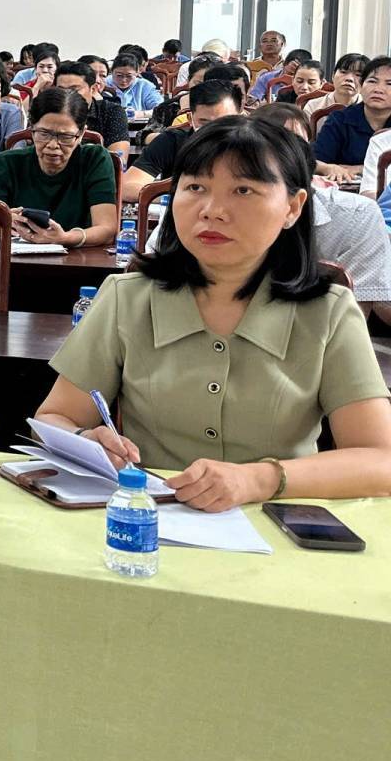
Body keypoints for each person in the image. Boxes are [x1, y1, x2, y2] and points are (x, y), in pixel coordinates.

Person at [35, 117, 391, 505]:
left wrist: (261, 479)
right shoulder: (127, 297)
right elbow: (52, 419)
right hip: (147, 516)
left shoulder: (329, 311)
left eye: (243, 190)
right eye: (195, 187)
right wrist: (86, 441)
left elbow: (380, 460)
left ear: (292, 207)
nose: (212, 210)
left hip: (278, 521)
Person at [251, 103, 391, 322]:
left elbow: (354, 318)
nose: (283, 156)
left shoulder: (355, 216)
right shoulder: (219, 213)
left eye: (296, 145)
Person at [0, 87, 118, 247]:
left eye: (65, 137)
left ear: (81, 134)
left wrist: (64, 238)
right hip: (18, 257)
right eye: (43, 134)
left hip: (79, 257)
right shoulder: (5, 163)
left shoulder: (94, 159)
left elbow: (107, 230)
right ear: (31, 129)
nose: (53, 145)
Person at [123, 78, 243, 199]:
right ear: (190, 119)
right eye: (204, 122)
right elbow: (128, 187)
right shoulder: (171, 141)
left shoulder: (252, 146)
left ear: (240, 117)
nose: (213, 130)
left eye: (223, 121)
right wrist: (175, 199)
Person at [312, 55, 391, 183]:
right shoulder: (340, 120)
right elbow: (314, 161)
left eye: (389, 83)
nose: (378, 89)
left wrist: (361, 169)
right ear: (361, 85)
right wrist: (329, 168)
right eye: (372, 81)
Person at [49, 60, 128, 154]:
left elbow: (118, 157)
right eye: (61, 90)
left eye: (74, 90)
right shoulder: (46, 111)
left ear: (93, 89)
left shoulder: (112, 111)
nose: (67, 95)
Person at [303, 53, 365, 118]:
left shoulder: (370, 109)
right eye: (343, 72)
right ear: (333, 75)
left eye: (358, 75)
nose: (349, 79)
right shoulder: (313, 106)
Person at [107, 52, 163, 116]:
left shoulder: (145, 86)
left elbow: (160, 109)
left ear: (137, 73)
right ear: (112, 72)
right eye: (119, 75)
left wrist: (141, 114)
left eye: (129, 76)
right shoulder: (104, 84)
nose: (123, 80)